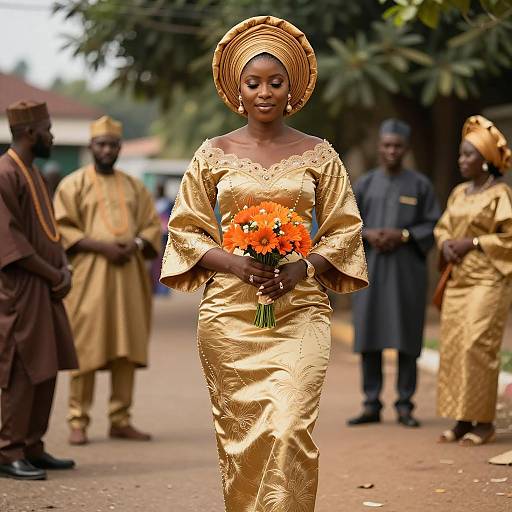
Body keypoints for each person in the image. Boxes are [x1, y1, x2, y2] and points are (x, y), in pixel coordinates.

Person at [160, 16, 368, 512]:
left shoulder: (321, 154)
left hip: (300, 309)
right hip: (229, 316)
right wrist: (232, 264)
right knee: (243, 437)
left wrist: (305, 266)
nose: (265, 92)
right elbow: (184, 229)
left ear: (292, 89)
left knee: (290, 424)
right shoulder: (213, 154)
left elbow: (344, 227)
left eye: (276, 83)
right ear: (238, 89)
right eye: (254, 83)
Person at [53, 116, 161, 446]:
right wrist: (101, 247)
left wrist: (138, 244)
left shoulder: (134, 186)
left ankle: (120, 419)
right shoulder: (72, 184)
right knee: (84, 346)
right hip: (90, 277)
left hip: (128, 275)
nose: (107, 150)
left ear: (119, 148)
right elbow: (62, 229)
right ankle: (78, 420)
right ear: (91, 147)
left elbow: (151, 227)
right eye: (101, 145)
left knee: (125, 347)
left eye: (113, 145)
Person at [0, 101, 78, 480]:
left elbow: (48, 232)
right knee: (22, 369)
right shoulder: (4, 172)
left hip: (45, 285)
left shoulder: (32, 172)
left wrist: (60, 269)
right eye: (48, 129)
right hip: (20, 289)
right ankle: (8, 451)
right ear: (31, 133)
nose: (52, 135)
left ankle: (33, 445)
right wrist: (52, 273)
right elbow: (10, 242)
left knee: (46, 366)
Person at [348, 119, 440, 428]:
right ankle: (371, 404)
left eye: (397, 146)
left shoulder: (420, 185)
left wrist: (403, 235)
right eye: (387, 145)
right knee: (370, 335)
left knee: (406, 338)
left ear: (407, 149)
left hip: (406, 274)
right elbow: (347, 224)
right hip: (370, 272)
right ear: (379, 147)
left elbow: (433, 225)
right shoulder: (365, 184)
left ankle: (404, 405)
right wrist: (370, 234)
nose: (391, 151)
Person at [434, 115, 512, 446]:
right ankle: (462, 420)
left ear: (486, 161)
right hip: (459, 280)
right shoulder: (459, 193)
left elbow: (509, 237)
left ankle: (484, 423)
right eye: (461, 154)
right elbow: (443, 228)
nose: (462, 160)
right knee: (454, 345)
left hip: (489, 279)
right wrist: (446, 243)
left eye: (469, 155)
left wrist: (475, 242)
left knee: (477, 344)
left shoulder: (500, 194)